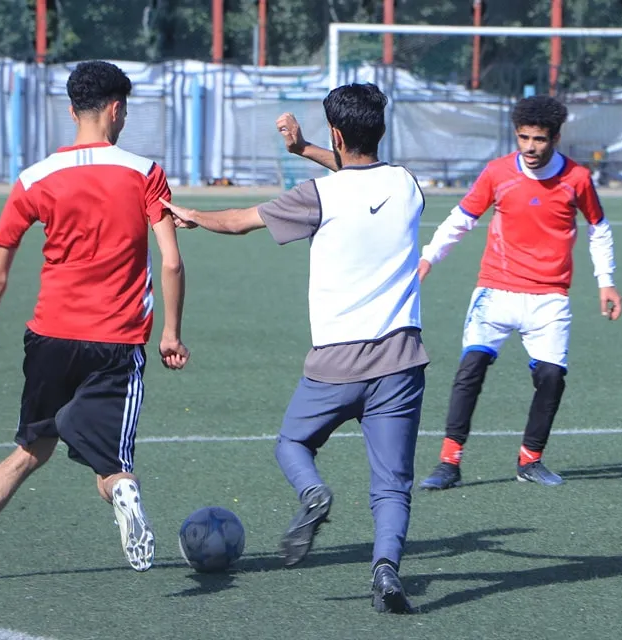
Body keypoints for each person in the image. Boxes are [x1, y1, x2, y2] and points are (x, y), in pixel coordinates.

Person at [160, 83, 427, 614]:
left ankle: (313, 494)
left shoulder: (317, 197)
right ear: (380, 128)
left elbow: (238, 223)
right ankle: (385, 569)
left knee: (292, 444)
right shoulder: (407, 184)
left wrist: (188, 215)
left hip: (334, 364)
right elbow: (359, 171)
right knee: (392, 484)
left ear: (336, 132)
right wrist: (306, 148)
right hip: (401, 361)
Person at [0, 61, 189, 587]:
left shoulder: (34, 177)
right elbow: (172, 262)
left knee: (30, 449)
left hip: (48, 336)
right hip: (114, 340)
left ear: (73, 110)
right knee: (111, 466)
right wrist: (171, 333)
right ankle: (123, 492)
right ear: (117, 109)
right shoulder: (144, 171)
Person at [418, 95, 622, 491]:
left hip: (549, 297)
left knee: (550, 377)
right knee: (470, 370)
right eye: (523, 138)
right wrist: (429, 258)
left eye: (540, 139)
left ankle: (530, 459)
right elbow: (461, 220)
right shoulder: (497, 173)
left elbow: (599, 228)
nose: (530, 147)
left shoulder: (577, 179)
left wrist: (606, 281)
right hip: (495, 291)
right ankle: (448, 462)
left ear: (556, 138)